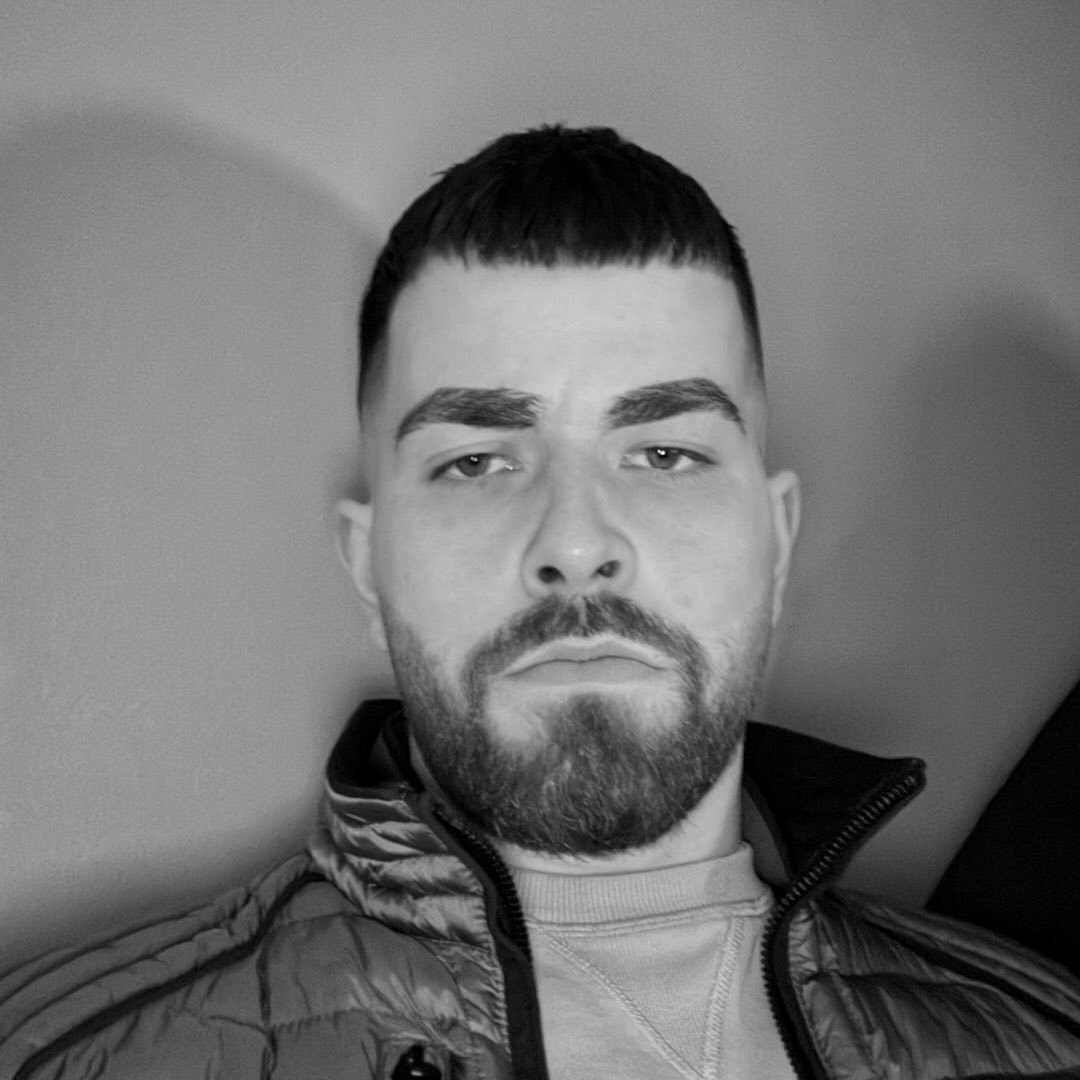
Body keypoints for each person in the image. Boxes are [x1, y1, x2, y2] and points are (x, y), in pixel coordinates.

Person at [1, 125, 1078, 1080]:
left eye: (664, 452)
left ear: (776, 543)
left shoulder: (1049, 1038)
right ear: (370, 568)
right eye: (476, 461)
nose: (574, 543)